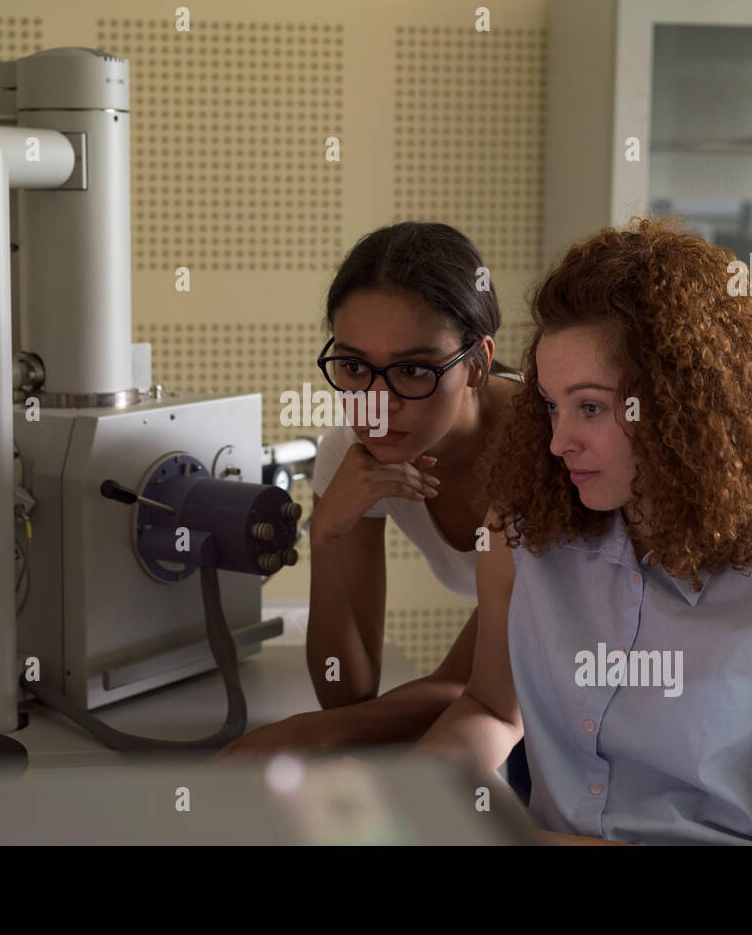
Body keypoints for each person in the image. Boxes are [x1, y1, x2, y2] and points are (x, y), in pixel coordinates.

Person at [410, 218, 752, 845]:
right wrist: (408, 798)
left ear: (685, 406)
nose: (557, 442)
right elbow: (491, 709)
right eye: (552, 406)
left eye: (591, 408)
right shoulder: (521, 539)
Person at [215, 222, 530, 798]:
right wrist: (327, 534)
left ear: (478, 364)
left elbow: (472, 685)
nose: (376, 406)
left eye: (413, 370)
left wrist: (301, 738)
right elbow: (347, 690)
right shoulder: (352, 453)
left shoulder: (547, 453)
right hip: (514, 704)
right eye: (354, 367)